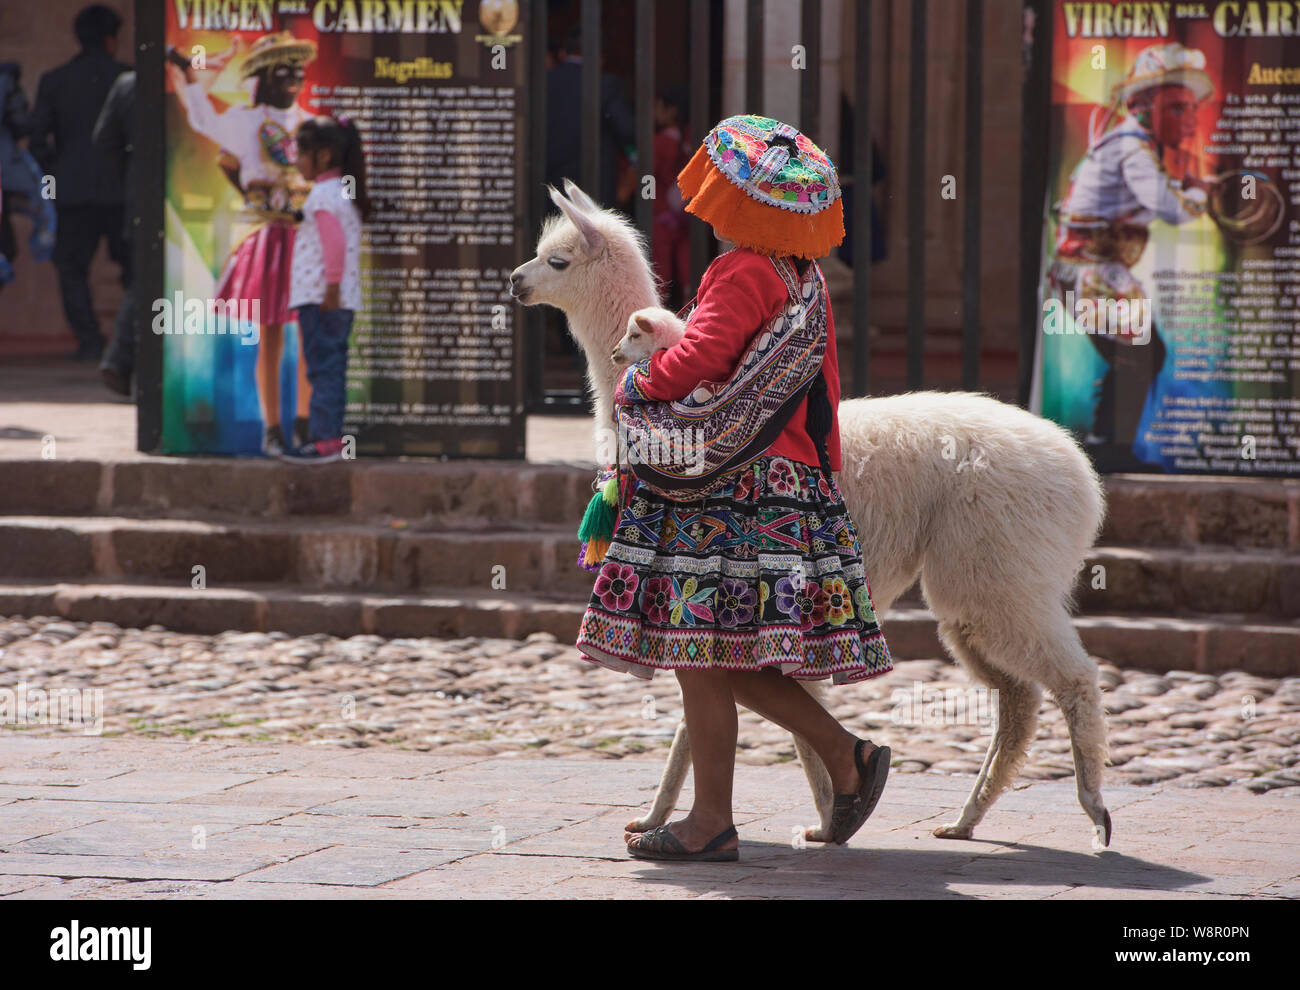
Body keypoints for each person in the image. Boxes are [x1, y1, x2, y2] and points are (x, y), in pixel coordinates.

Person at [576, 115, 895, 861]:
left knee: (700, 648)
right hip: (788, 481)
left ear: (744, 202)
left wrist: (637, 382)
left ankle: (711, 821)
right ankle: (845, 757)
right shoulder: (802, 278)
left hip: (731, 489)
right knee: (726, 653)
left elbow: (702, 357)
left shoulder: (744, 270)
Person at [1047, 42, 1213, 467]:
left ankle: (1103, 445)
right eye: (1177, 108)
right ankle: (1105, 449)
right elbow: (1171, 209)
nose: (1191, 120)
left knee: (1139, 354)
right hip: (1090, 274)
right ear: (1145, 107)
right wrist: (1199, 192)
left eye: (1192, 109)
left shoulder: (1131, 143)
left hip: (1095, 274)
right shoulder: (1133, 149)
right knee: (1142, 354)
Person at [167, 31, 317, 455]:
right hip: (268, 234)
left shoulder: (309, 124)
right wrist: (189, 73)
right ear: (266, 78)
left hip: (306, 236)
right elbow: (204, 122)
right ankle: (273, 429)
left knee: (311, 330)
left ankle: (304, 422)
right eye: (284, 72)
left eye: (298, 72)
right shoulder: (245, 120)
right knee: (271, 332)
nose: (294, 80)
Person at [27, 4, 129, 361]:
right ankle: (133, 343)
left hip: (71, 192)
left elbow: (37, 142)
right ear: (110, 39)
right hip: (123, 191)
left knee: (70, 268)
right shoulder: (129, 78)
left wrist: (53, 183)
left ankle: (89, 341)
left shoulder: (55, 80)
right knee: (136, 268)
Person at [280, 115, 366, 464]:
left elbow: (334, 243)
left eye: (302, 154)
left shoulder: (323, 196)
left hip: (322, 299)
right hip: (335, 299)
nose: (298, 162)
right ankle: (329, 438)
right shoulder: (342, 193)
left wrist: (331, 286)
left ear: (325, 155)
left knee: (322, 370)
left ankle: (324, 441)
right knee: (331, 368)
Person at [93, 69, 134, 396]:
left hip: (137, 198)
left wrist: (132, 174)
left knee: (142, 280)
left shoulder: (128, 84)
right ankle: (120, 359)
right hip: (190, 193)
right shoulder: (189, 78)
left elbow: (104, 140)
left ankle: (120, 360)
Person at [650, 84, 691, 308]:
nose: (654, 113)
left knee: (660, 271)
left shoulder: (658, 142)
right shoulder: (692, 139)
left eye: (657, 107)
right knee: (688, 267)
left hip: (662, 214)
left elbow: (648, 175)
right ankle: (691, 307)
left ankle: (658, 312)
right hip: (687, 214)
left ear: (670, 110)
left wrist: (648, 198)